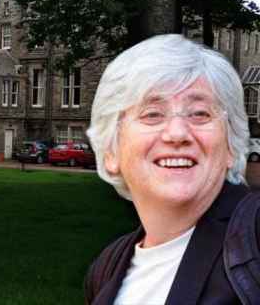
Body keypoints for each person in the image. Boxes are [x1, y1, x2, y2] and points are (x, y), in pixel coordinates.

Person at [84, 34, 256, 304]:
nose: (177, 133)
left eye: (199, 113)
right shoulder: (106, 268)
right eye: (152, 114)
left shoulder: (253, 240)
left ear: (230, 146)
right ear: (111, 151)